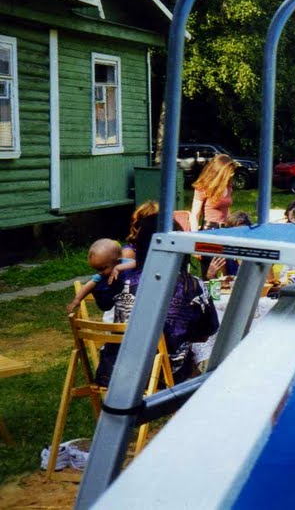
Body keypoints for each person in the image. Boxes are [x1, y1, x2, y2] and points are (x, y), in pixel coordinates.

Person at [93, 209, 219, 385]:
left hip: (115, 373)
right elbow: (207, 333)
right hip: (162, 375)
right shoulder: (192, 286)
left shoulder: (120, 278)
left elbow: (103, 303)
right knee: (196, 366)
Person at [65, 239, 134, 316]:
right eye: (97, 269)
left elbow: (140, 264)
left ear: (118, 262)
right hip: (110, 304)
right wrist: (77, 300)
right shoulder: (101, 277)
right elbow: (87, 286)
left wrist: (121, 267)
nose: (100, 273)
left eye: (102, 268)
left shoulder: (129, 264)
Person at [189, 154, 238, 232]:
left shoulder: (228, 186)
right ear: (219, 172)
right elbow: (195, 215)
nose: (232, 175)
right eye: (228, 172)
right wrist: (195, 235)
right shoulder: (203, 188)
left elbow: (227, 209)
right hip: (210, 230)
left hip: (226, 229)